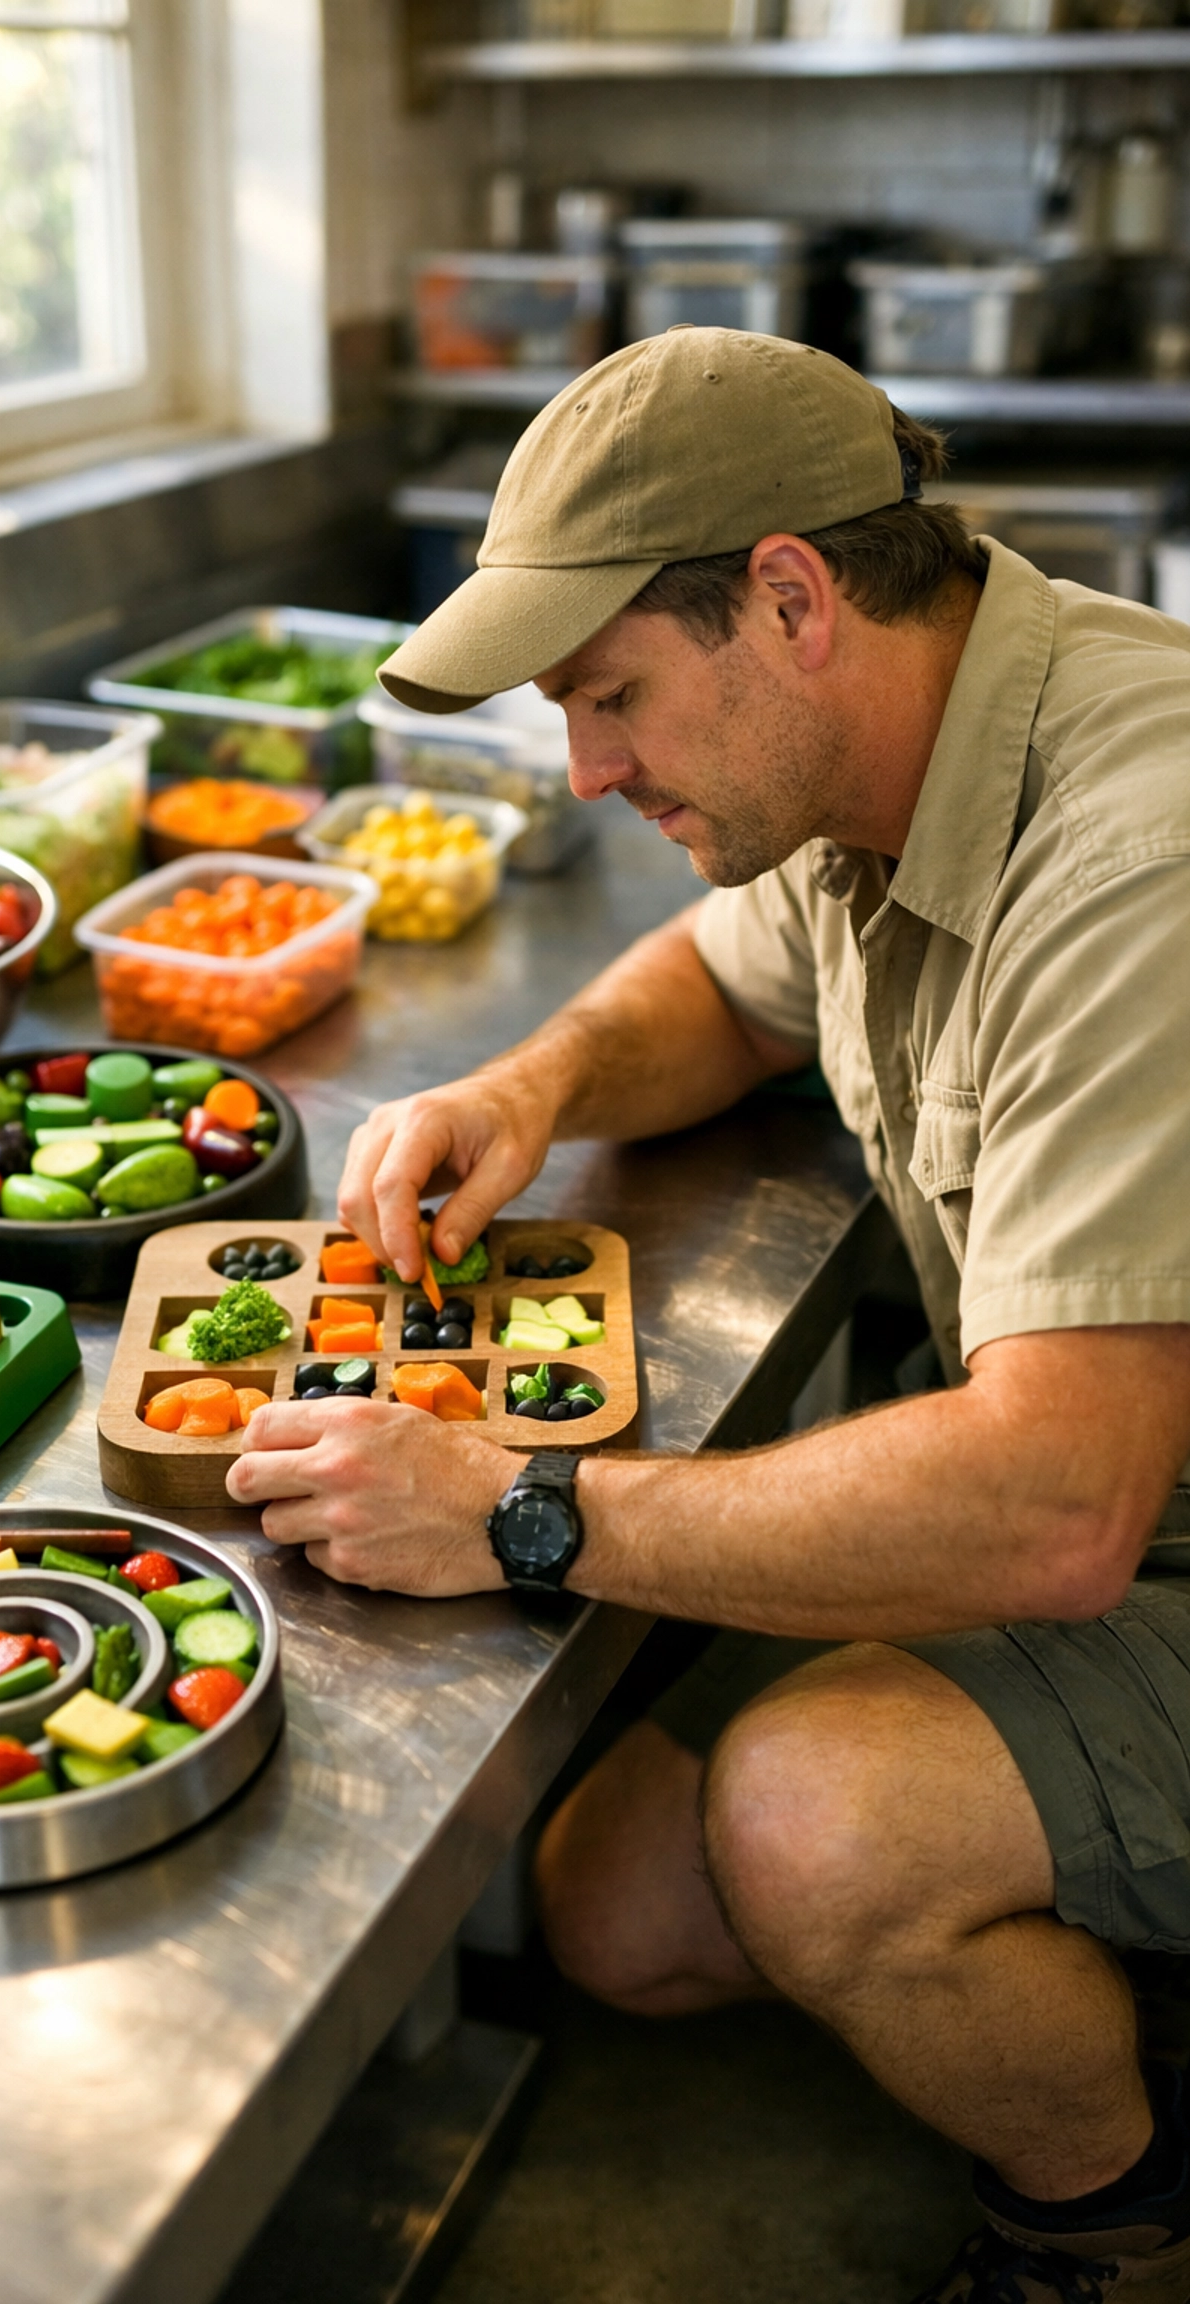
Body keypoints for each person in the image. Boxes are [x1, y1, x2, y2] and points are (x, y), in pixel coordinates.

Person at [226, 327, 1190, 2304]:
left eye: (612, 699)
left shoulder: (1135, 849)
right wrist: (533, 1087)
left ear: (788, 599)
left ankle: (1114, 2225)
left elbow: (1059, 1510)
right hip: (1112, 1507)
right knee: (618, 1908)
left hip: (1132, 1524)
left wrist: (517, 1498)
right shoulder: (871, 753)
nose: (584, 771)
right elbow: (718, 984)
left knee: (815, 1822)